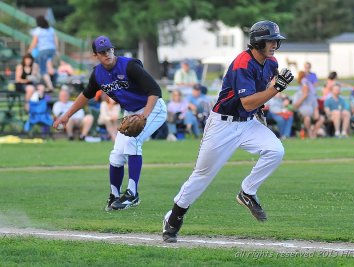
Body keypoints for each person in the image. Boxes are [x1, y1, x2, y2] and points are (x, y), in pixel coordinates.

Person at [162, 20, 294, 243]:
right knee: (203, 175)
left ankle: (247, 192)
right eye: (270, 40)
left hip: (247, 123)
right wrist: (276, 88)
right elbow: (248, 102)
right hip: (223, 125)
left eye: (276, 41)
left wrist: (265, 108)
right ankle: (173, 218)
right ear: (257, 41)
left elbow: (257, 100)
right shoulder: (243, 63)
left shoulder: (271, 63)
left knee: (275, 150)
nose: (274, 45)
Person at [53, 36, 167, 211]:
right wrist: (66, 115)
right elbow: (86, 95)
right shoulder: (98, 74)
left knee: (132, 141)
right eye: (102, 52)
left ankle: (132, 194)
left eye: (109, 50)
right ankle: (115, 195)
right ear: (95, 55)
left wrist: (144, 115)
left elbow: (155, 90)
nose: (107, 54)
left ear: (113, 50)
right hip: (131, 113)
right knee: (116, 155)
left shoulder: (129, 66)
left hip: (153, 108)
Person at [27, 15, 58, 91]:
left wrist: (29, 50)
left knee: (43, 70)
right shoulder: (51, 29)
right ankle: (34, 74)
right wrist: (56, 49)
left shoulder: (38, 30)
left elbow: (34, 42)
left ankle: (50, 86)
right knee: (36, 61)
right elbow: (56, 39)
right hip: (51, 50)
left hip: (43, 50)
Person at [293, 71, 325, 138]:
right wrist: (304, 97)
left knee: (321, 118)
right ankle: (310, 134)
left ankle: (314, 133)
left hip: (312, 114)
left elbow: (315, 107)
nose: (307, 88)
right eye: (305, 87)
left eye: (308, 87)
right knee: (307, 118)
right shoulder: (298, 95)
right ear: (302, 87)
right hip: (301, 116)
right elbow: (295, 106)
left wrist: (316, 114)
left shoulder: (312, 96)